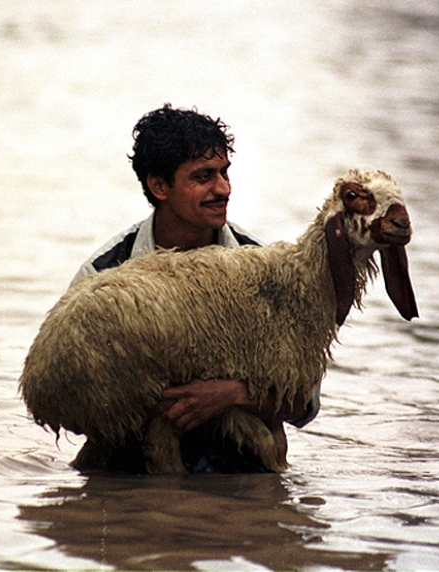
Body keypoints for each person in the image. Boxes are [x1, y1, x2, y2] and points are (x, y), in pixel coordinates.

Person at [69, 104, 320, 473]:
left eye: (224, 173)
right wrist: (143, 399)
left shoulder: (263, 270)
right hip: (134, 481)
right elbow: (69, 403)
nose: (223, 189)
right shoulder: (105, 274)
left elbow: (306, 403)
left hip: (241, 479)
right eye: (203, 176)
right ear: (159, 186)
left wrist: (233, 394)